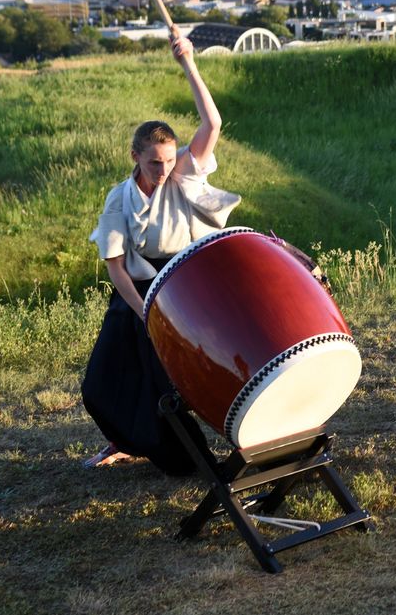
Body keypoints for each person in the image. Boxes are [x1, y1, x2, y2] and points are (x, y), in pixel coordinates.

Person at [82, 30, 241, 472]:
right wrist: (145, 313)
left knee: (178, 380)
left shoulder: (180, 175)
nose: (164, 169)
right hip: (136, 294)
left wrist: (188, 62)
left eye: (170, 160)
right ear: (135, 156)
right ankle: (124, 442)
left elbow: (212, 124)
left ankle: (195, 458)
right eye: (154, 162)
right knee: (101, 384)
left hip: (184, 283)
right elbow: (115, 267)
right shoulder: (119, 198)